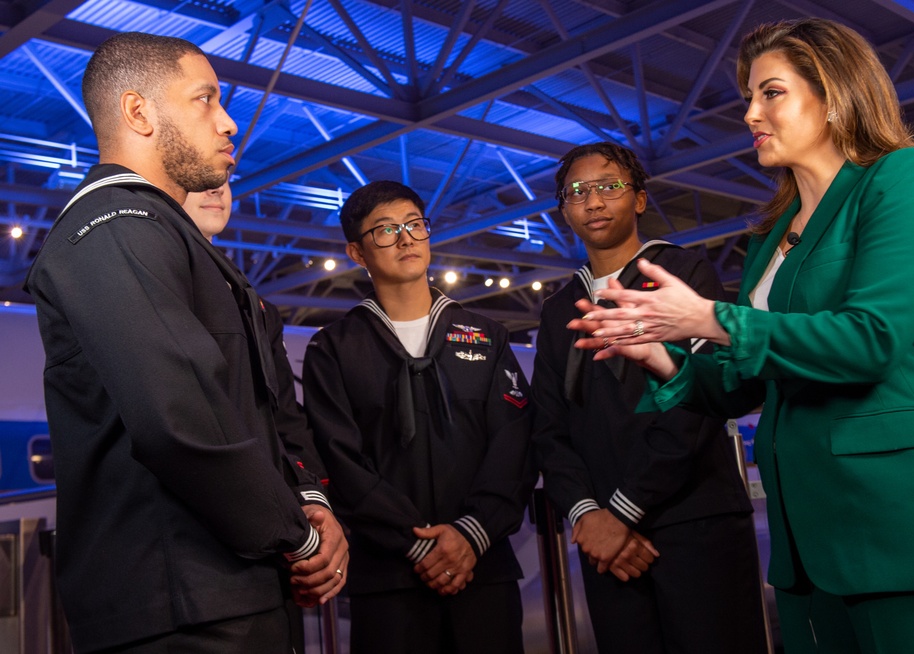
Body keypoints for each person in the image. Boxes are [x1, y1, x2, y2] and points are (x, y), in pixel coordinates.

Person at [570, 18, 914, 653]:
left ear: (834, 94)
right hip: (807, 546)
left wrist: (709, 319)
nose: (749, 113)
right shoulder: (770, 236)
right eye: (749, 96)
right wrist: (660, 355)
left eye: (769, 93)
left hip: (904, 529)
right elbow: (742, 384)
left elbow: (871, 339)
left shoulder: (905, 176)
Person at [24, 32, 346, 653]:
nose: (228, 123)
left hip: (235, 589)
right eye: (206, 99)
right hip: (180, 606)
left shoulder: (166, 238)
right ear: (139, 112)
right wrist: (295, 535)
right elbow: (183, 420)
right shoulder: (113, 228)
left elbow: (263, 411)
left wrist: (310, 506)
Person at [531, 142, 767, 653]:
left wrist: (622, 511)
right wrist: (587, 514)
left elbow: (696, 404)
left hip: (696, 521)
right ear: (564, 209)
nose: (593, 201)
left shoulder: (683, 274)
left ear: (639, 200)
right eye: (578, 192)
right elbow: (549, 430)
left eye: (609, 186)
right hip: (604, 544)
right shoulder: (557, 311)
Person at [302, 180, 534, 653]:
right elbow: (340, 462)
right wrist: (417, 543)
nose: (406, 238)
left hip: (483, 567)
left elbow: (516, 445)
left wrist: (472, 533)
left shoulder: (486, 337)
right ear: (356, 252)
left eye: (414, 225)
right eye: (385, 231)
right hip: (389, 580)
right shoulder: (334, 348)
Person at [182, 182, 347, 650]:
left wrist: (316, 506)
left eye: (223, 181)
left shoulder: (256, 307)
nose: (216, 189)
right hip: (204, 571)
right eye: (198, 182)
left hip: (273, 565)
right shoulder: (156, 297)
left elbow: (285, 422)